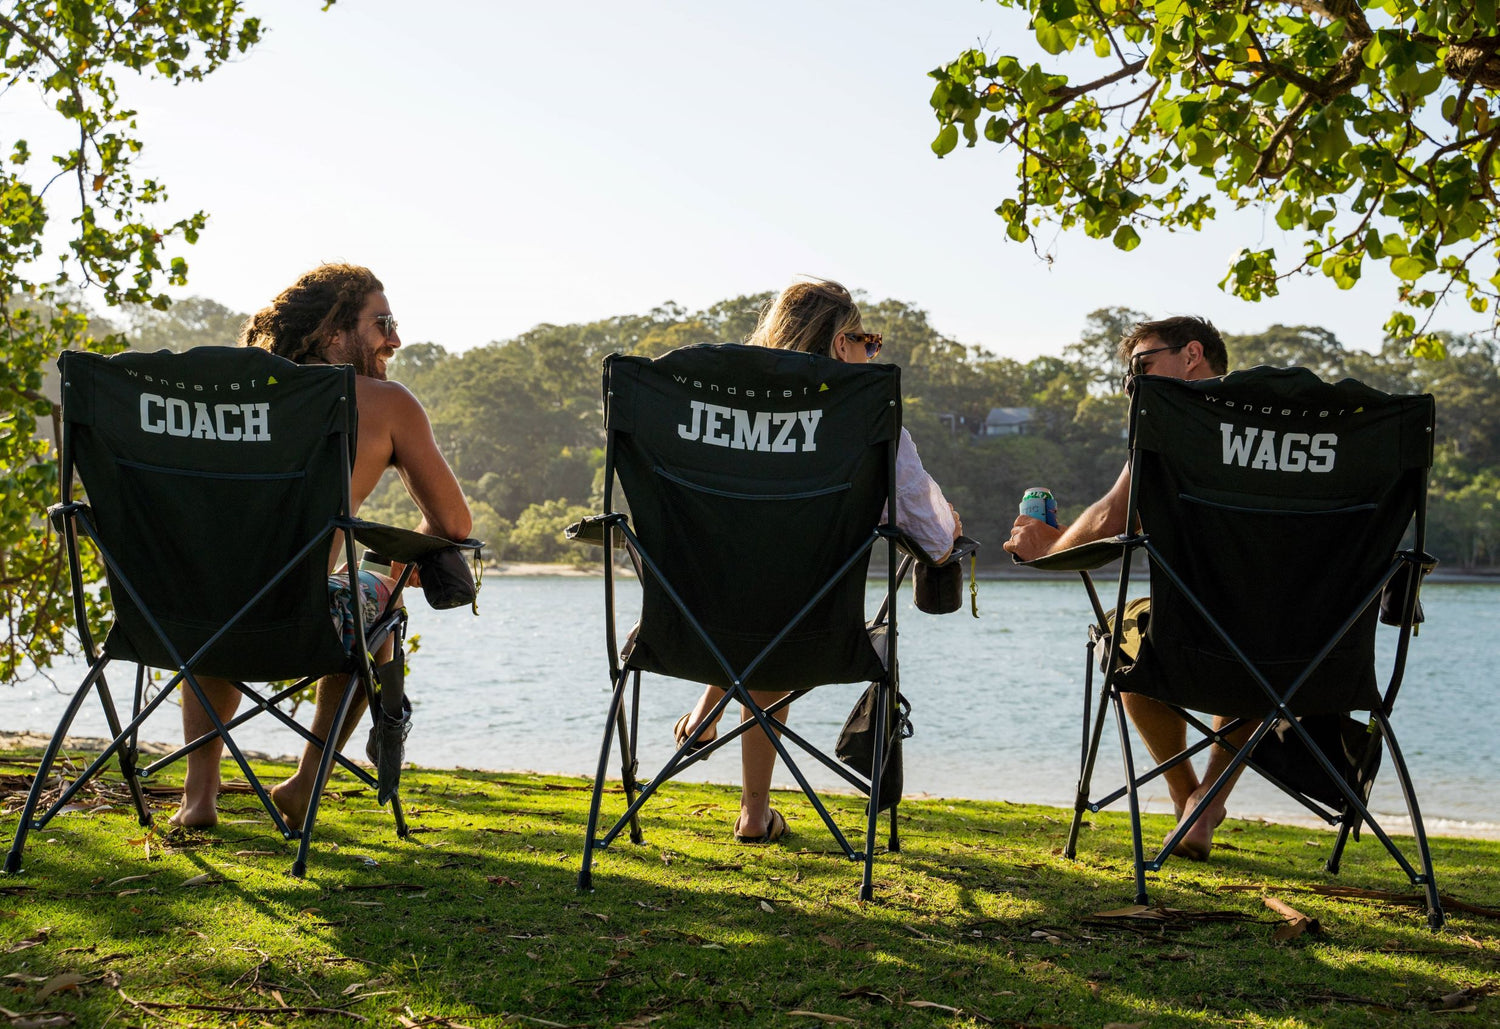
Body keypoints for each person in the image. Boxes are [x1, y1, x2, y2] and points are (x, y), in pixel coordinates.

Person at [171, 263, 472, 829]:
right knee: (374, 600)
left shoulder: (217, 401)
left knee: (221, 594)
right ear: (334, 331)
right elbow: (453, 523)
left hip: (175, 613)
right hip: (302, 618)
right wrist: (388, 567)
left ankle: (199, 796)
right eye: (382, 322)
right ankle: (306, 784)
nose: (396, 338)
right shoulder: (384, 404)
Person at [672, 278, 963, 844]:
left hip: (689, 621)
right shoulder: (868, 420)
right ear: (839, 344)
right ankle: (753, 814)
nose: (870, 353)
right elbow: (932, 540)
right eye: (865, 340)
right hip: (815, 628)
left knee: (761, 596)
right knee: (782, 609)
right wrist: (949, 518)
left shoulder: (714, 418)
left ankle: (733, 763)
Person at [1002, 314, 1240, 861]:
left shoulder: (1173, 428)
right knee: (1255, 644)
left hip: (1195, 637)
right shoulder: (1299, 429)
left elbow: (1114, 517)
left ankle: (1191, 801)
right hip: (1315, 646)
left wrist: (1050, 550)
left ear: (1192, 355)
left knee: (1126, 642)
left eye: (1142, 365)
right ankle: (1202, 803)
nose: (1134, 383)